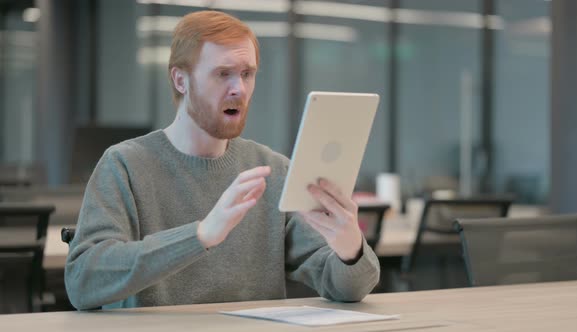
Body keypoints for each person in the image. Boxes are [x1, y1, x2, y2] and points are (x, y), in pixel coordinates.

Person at [65, 10, 379, 310]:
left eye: (247, 74)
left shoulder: (272, 170)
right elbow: (82, 282)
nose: (238, 89)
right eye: (223, 74)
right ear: (180, 80)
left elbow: (347, 289)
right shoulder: (124, 165)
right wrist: (201, 234)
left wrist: (350, 248)